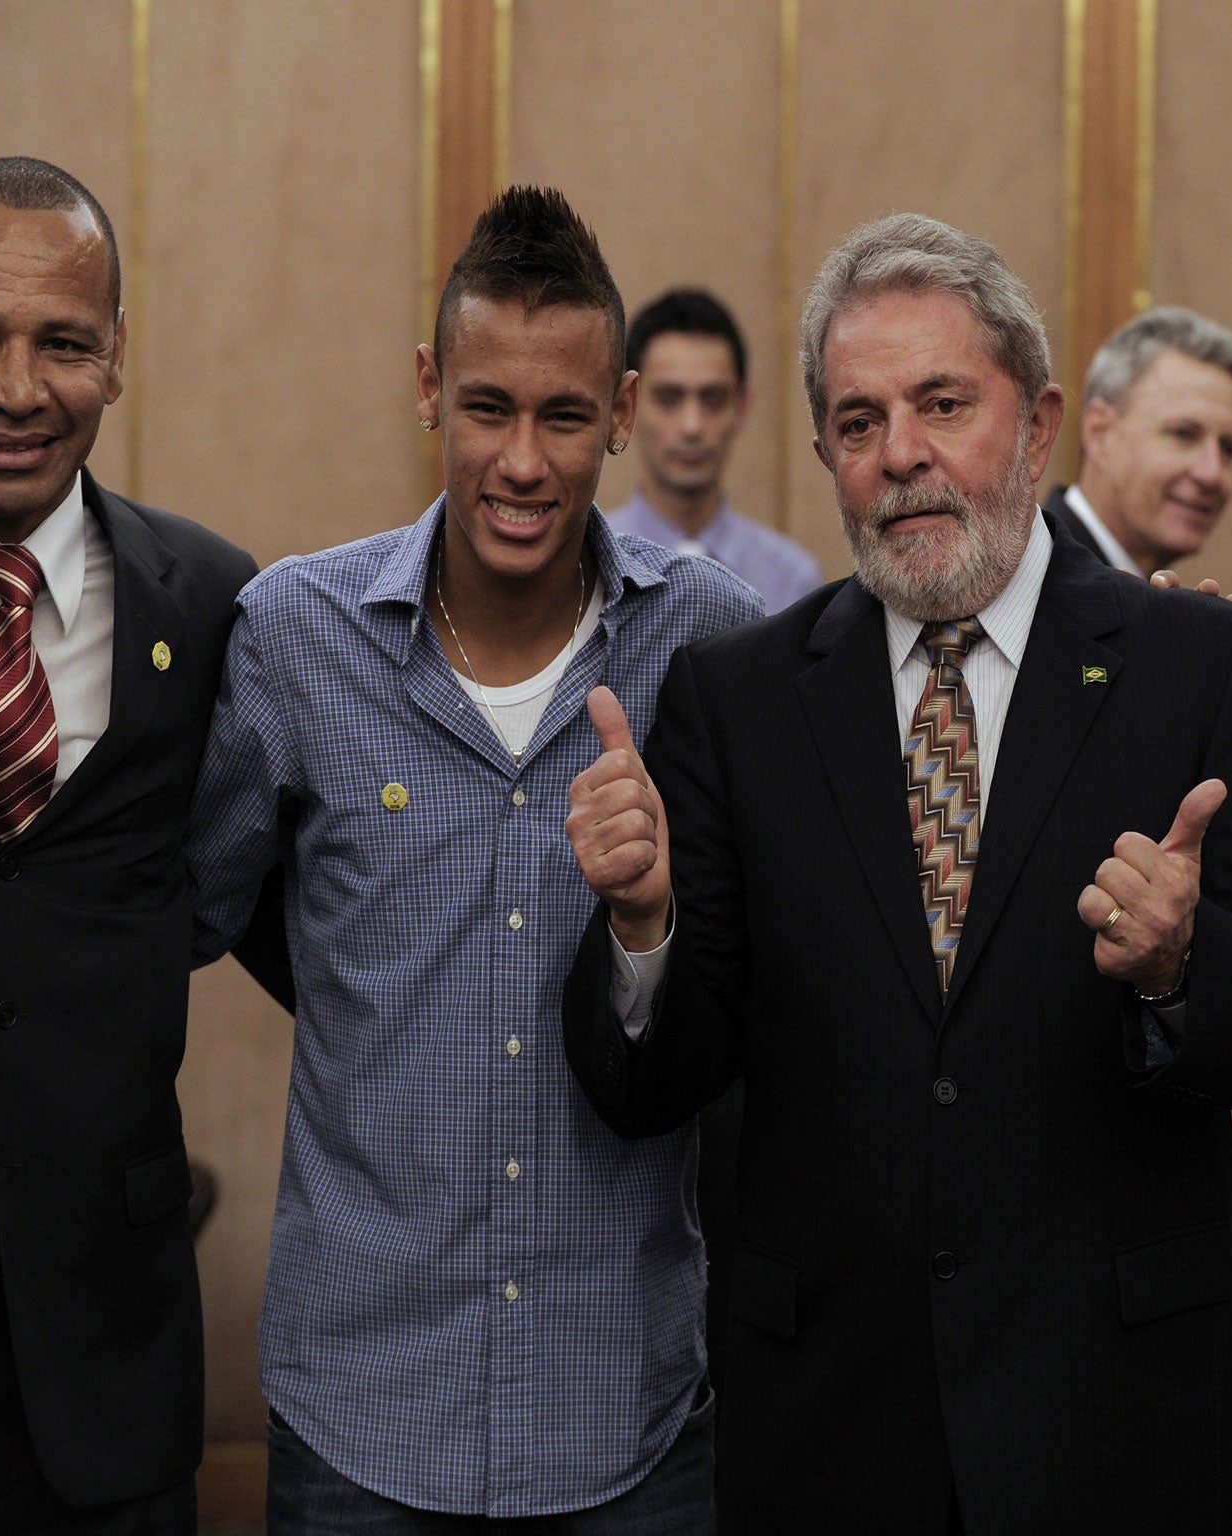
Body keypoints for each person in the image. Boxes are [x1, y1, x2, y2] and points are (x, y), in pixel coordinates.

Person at [560, 212, 1232, 1534]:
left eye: (943, 404)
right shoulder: (738, 702)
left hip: (1118, 1428)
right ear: (823, 451)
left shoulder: (1202, 672)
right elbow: (657, 1078)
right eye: (860, 421)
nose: (903, 455)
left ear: (1040, 425)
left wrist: (1181, 967)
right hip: (829, 1433)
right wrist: (642, 930)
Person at [186, 186, 760, 1531]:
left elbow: (755, 987)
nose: (523, 461)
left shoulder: (711, 650)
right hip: (362, 1414)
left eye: (565, 417)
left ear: (618, 413)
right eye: (490, 408)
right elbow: (184, 918)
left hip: (628, 1412)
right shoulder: (292, 638)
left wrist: (652, 922)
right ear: (431, 388)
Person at [0, 158, 256, 1533]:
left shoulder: (219, 605)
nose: (17, 386)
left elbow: (271, 904)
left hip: (112, 1371)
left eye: (62, 341)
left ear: (114, 356)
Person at [609, 287, 821, 610]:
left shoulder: (791, 579)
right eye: (669, 398)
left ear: (742, 407)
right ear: (628, 407)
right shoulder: (587, 565)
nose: (692, 426)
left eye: (713, 399)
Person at [1043, 306, 1232, 578]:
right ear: (1100, 433)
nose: (1212, 474)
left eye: (1227, 448)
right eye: (1183, 434)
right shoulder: (1041, 582)